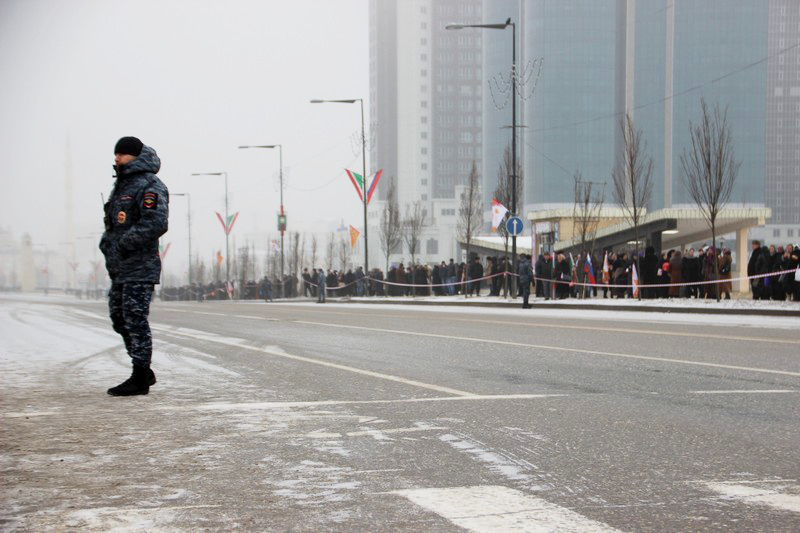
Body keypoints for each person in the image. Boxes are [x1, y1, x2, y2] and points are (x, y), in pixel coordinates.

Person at [100, 137, 169, 396]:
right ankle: (144, 370)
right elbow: (116, 224)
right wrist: (107, 244)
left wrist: (122, 244)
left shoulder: (150, 185)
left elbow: (156, 222)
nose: (117, 158)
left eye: (122, 154)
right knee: (119, 318)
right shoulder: (121, 186)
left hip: (140, 265)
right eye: (116, 153)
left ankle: (140, 376)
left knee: (135, 318)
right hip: (120, 268)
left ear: (136, 157)